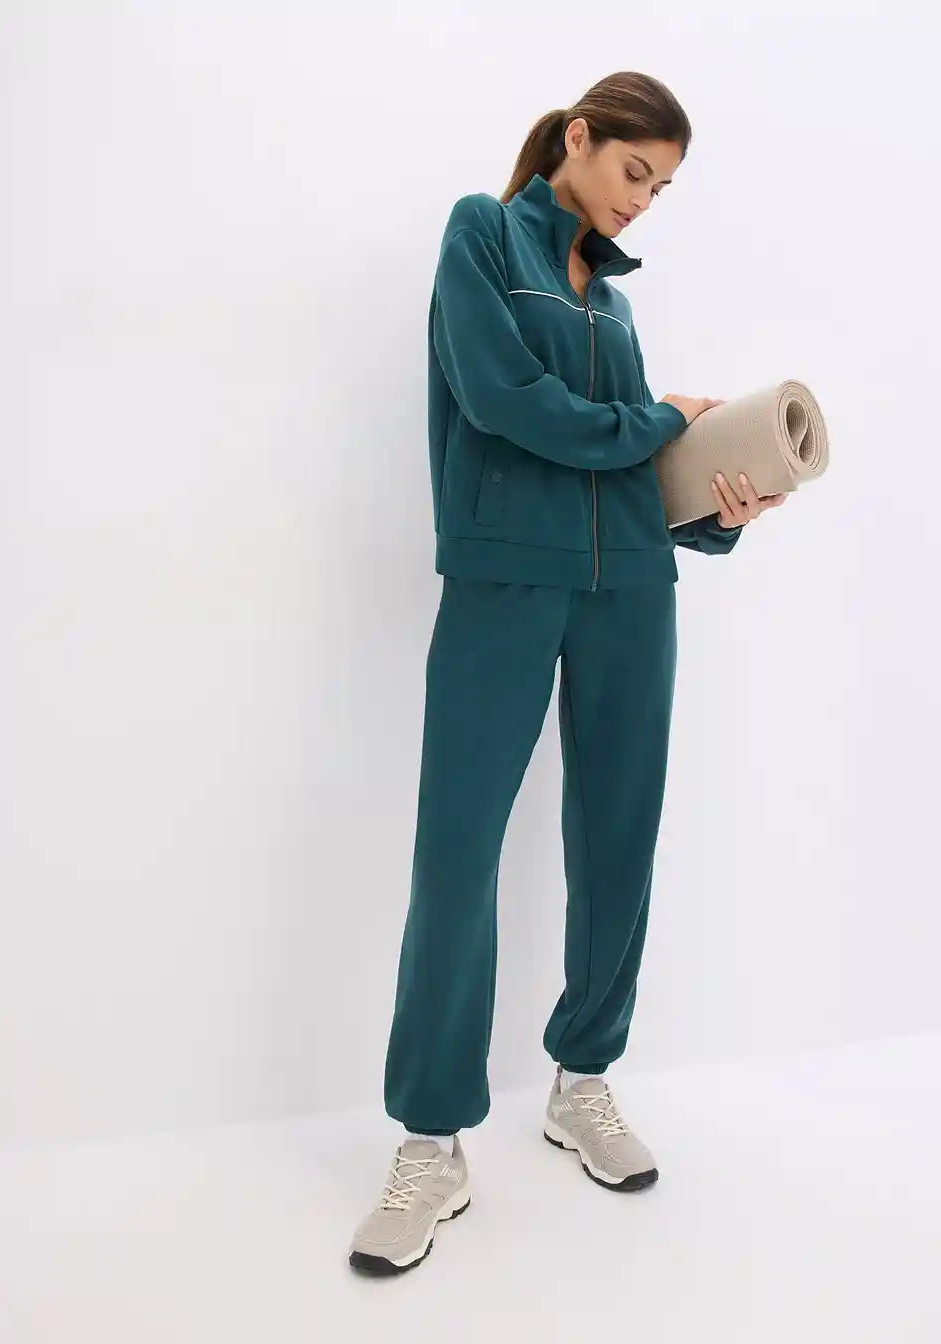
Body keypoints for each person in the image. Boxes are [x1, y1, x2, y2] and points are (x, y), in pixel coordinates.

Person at [348, 70, 788, 1276]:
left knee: (617, 840)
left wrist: (717, 508)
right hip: (504, 583)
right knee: (457, 856)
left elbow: (626, 471)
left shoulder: (617, 303)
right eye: (634, 171)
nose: (644, 200)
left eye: (664, 187)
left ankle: (581, 1078)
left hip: (631, 591)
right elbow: (505, 402)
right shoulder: (484, 238)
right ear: (579, 138)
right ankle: (430, 1140)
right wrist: (657, 420)